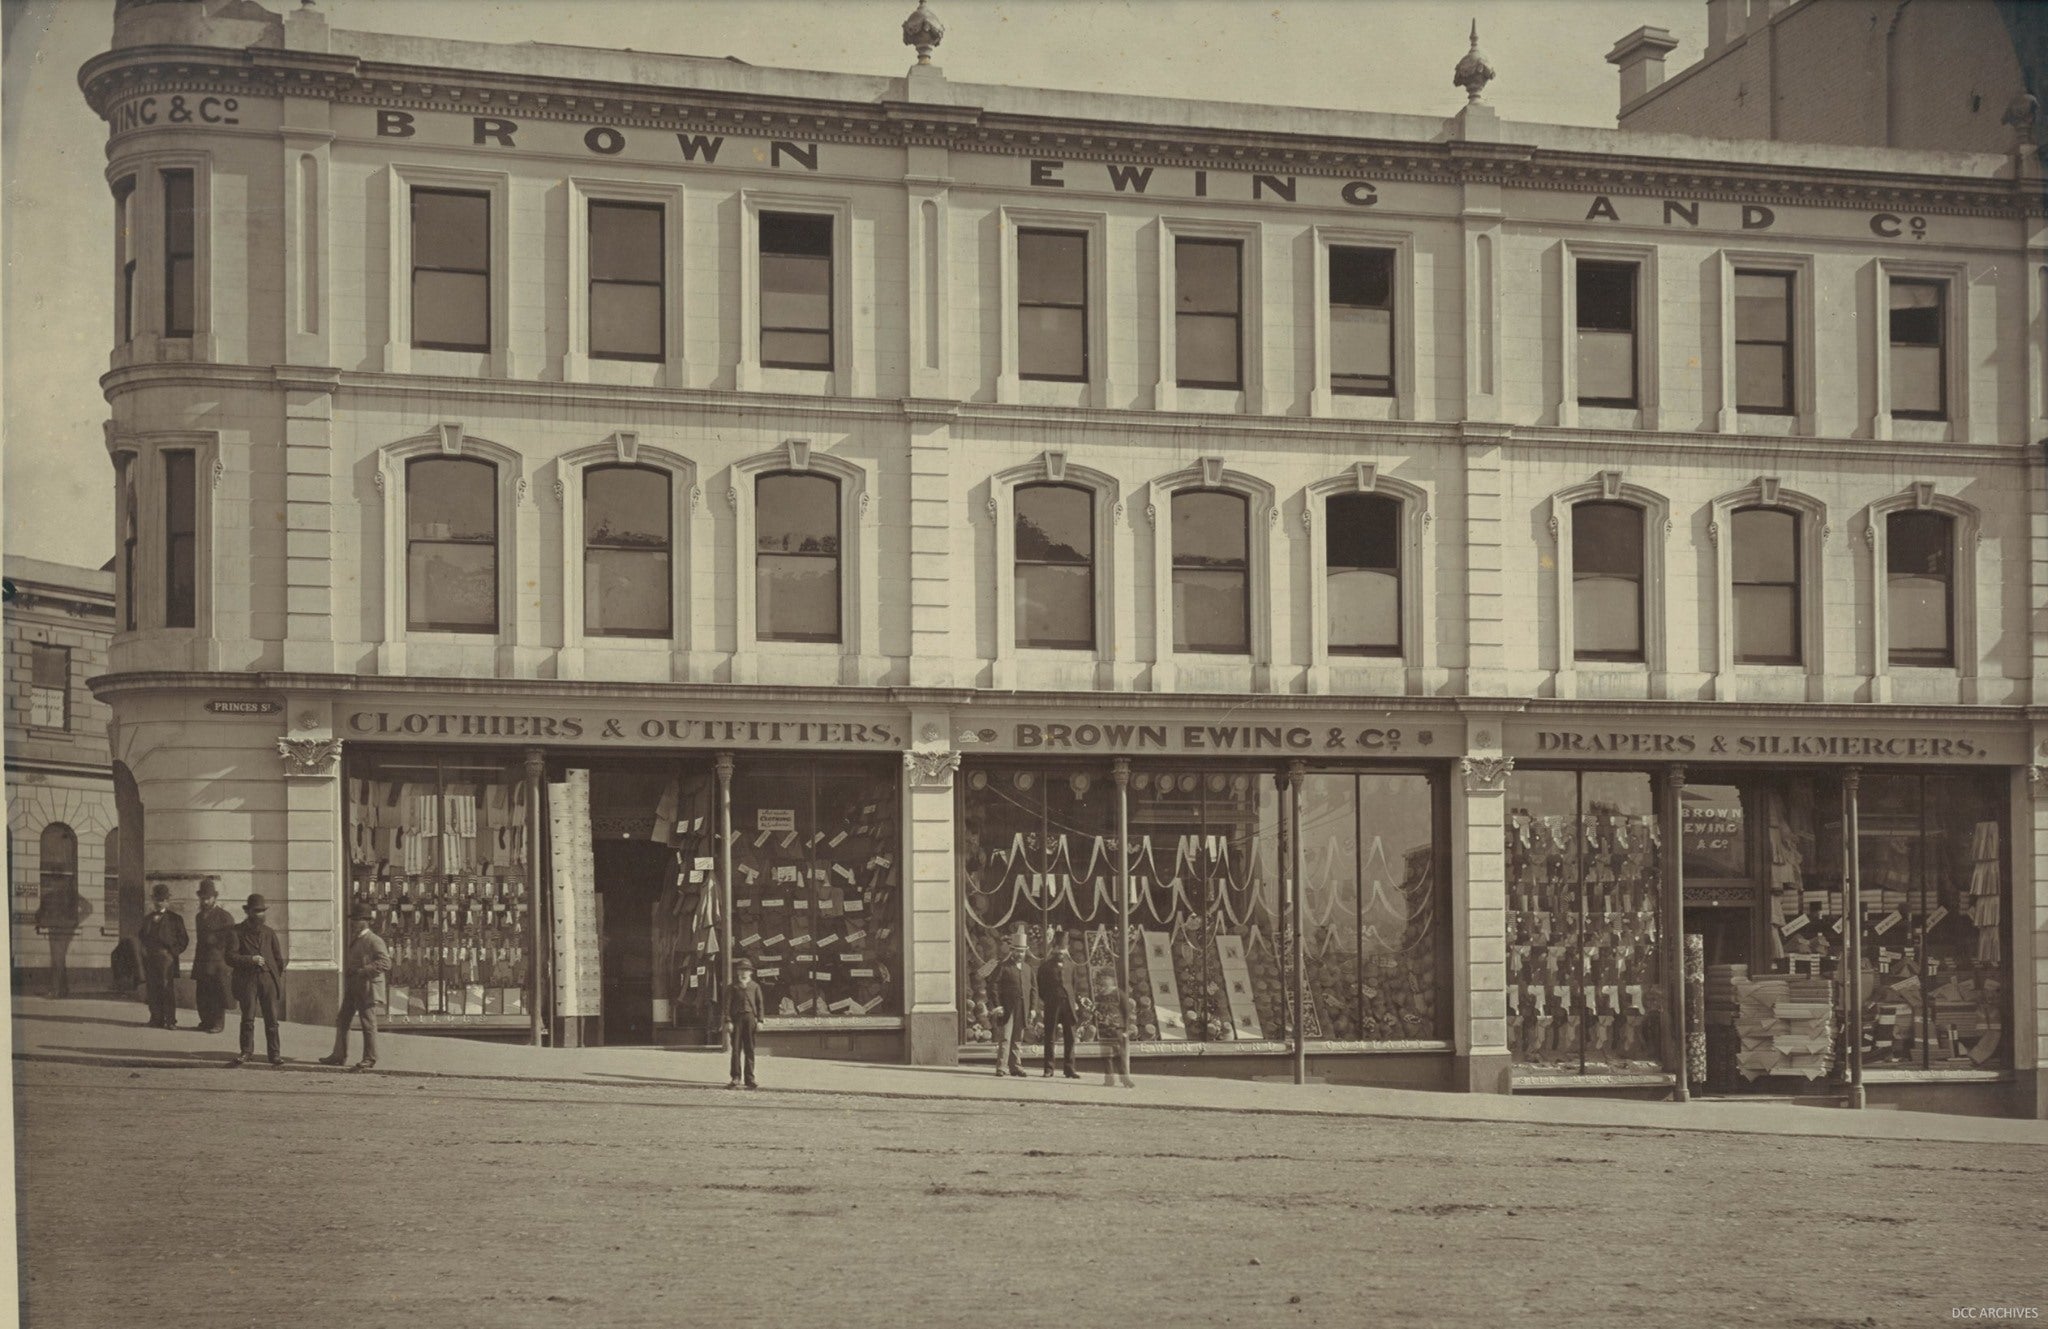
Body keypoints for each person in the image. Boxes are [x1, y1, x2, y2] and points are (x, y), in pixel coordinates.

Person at [320, 905, 390, 1072]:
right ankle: (339, 1055)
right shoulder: (357, 938)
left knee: (368, 1023)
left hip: (367, 988)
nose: (353, 923)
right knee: (343, 1020)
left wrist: (363, 970)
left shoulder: (374, 940)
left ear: (365, 922)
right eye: (353, 920)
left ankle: (370, 1058)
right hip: (354, 987)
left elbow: (386, 963)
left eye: (356, 920)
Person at [226, 893, 288, 1068]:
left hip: (267, 980)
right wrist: (250, 960)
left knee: (272, 1019)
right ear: (248, 912)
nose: (260, 914)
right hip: (248, 980)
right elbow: (229, 957)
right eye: (256, 911)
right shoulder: (236, 932)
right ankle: (246, 1052)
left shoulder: (269, 933)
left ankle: (274, 1054)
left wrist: (273, 975)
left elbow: (278, 959)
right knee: (248, 1018)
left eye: (262, 911)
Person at [137, 883, 188, 1029]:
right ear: (153, 900)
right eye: (157, 899)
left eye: (162, 900)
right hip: (151, 958)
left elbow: (184, 940)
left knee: (167, 989)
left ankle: (170, 1021)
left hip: (167, 959)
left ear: (167, 901)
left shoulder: (175, 919)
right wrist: (144, 951)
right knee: (152, 988)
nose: (159, 903)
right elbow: (141, 937)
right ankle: (155, 1018)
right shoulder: (148, 919)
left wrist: (173, 953)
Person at [189, 877, 235, 1033]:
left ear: (215, 898)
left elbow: (231, 940)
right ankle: (206, 1021)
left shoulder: (224, 916)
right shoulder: (199, 917)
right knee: (202, 993)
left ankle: (218, 1023)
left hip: (218, 961)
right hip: (202, 960)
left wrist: (216, 942)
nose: (205, 901)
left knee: (217, 994)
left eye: (208, 898)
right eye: (202, 898)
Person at [991, 925, 1036, 1077]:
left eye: (1022, 951)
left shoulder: (1028, 969)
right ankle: (1001, 1067)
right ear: (1012, 950)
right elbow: (994, 986)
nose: (1019, 954)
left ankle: (1015, 1066)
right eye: (1017, 950)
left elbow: (1033, 990)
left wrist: (1033, 1008)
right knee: (1005, 1037)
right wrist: (997, 1005)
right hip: (1007, 1008)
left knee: (1017, 1038)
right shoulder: (1003, 967)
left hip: (1022, 1008)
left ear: (1025, 952)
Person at [34, 882, 92, 999]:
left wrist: (75, 921)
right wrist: (42, 921)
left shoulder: (70, 895)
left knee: (57, 959)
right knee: (59, 959)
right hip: (55, 930)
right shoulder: (50, 895)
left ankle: (56, 991)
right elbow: (39, 913)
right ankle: (62, 989)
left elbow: (88, 908)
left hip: (64, 931)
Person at [1038, 928, 1080, 1079]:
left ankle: (1069, 1068)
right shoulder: (1045, 966)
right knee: (1050, 1036)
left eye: (1064, 948)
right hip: (1052, 1004)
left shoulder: (1072, 966)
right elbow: (1040, 987)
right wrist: (1049, 1000)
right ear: (1054, 948)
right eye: (1059, 948)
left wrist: (1071, 1000)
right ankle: (1049, 1069)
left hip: (1068, 1004)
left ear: (1067, 949)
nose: (1061, 951)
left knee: (1070, 1037)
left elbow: (1074, 986)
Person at [725, 958, 765, 1090]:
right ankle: (736, 1077)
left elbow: (760, 1005)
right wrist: (728, 1021)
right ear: (737, 972)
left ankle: (750, 1078)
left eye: (747, 970)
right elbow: (727, 1006)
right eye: (741, 970)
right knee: (735, 1050)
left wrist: (760, 1020)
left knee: (750, 1049)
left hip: (750, 1019)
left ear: (751, 973)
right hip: (736, 1020)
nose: (744, 973)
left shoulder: (755, 986)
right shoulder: (732, 987)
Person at [1100, 980, 1138, 1090]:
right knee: (1106, 1054)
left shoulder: (1119, 994)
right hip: (1104, 1027)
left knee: (1119, 1055)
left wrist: (1125, 1029)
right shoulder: (1100, 994)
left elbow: (1126, 1012)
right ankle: (1109, 1079)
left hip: (1117, 1027)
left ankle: (1125, 1079)